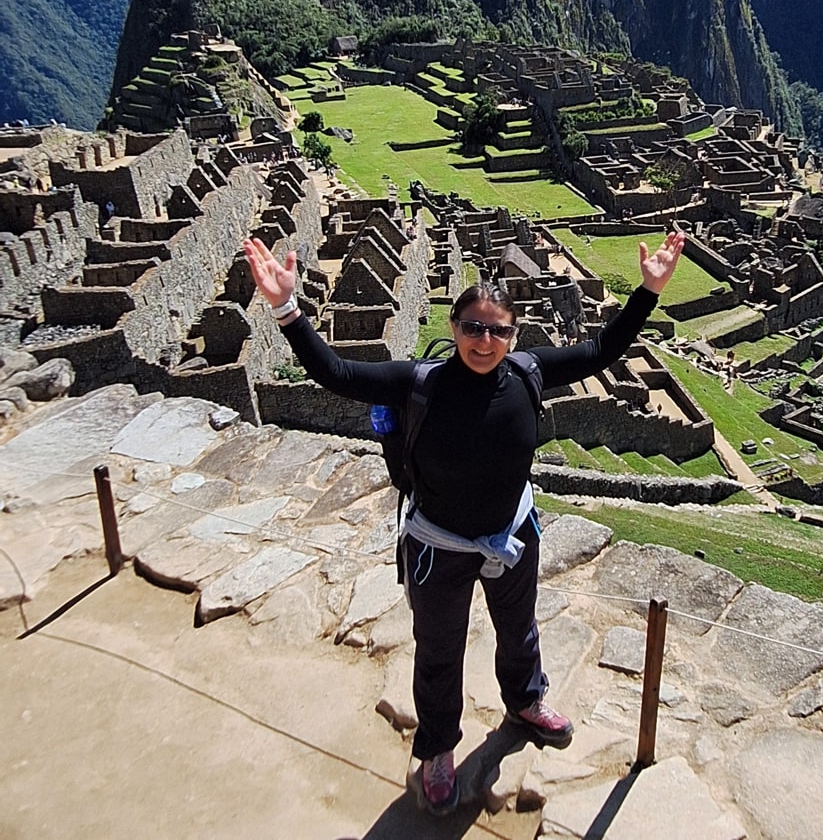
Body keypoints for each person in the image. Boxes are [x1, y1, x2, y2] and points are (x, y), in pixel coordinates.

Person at [243, 229, 685, 816]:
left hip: (511, 534)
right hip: (439, 545)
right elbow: (337, 374)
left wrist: (648, 290)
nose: (485, 340)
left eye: (498, 329)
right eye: (473, 327)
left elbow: (601, 351)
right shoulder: (419, 383)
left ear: (514, 335)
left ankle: (526, 702)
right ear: (454, 329)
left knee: (520, 628)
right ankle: (437, 751)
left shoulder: (527, 373)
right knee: (439, 652)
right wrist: (285, 307)